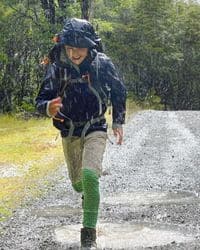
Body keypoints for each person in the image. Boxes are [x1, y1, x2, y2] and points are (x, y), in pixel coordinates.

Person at [35, 18, 126, 249]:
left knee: (89, 177)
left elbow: (118, 91)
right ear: (64, 46)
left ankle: (88, 237)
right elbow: (41, 100)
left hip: (95, 126)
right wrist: (48, 107)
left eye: (81, 48)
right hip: (69, 130)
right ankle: (87, 194)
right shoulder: (56, 67)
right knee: (78, 184)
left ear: (90, 47)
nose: (75, 53)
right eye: (70, 48)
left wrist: (117, 121)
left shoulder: (102, 64)